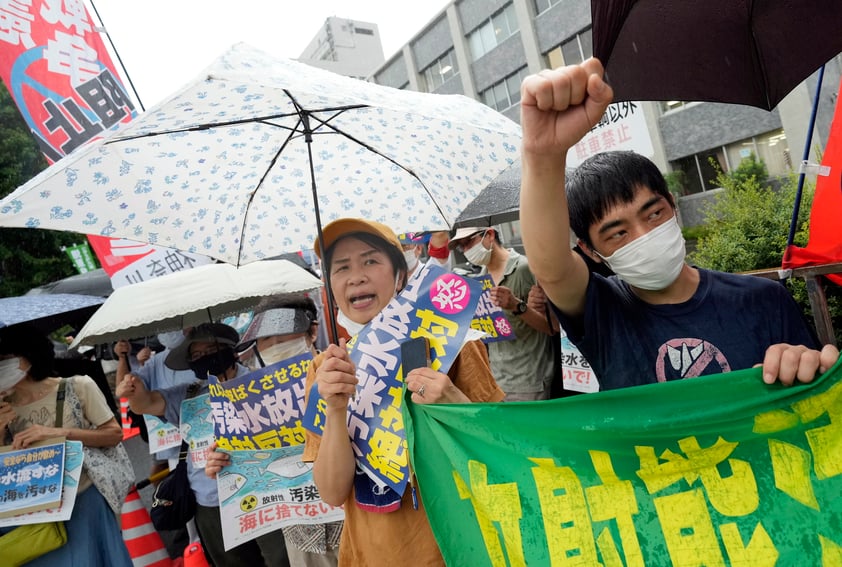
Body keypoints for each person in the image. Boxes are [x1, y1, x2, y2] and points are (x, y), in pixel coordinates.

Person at [517, 58, 839, 389]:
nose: (644, 235)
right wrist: (542, 155)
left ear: (673, 205)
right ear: (590, 251)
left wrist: (803, 366)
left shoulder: (765, 299)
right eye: (618, 233)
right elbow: (552, 268)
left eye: (653, 214)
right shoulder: (601, 313)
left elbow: (815, 400)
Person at [302, 218, 505, 566]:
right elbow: (333, 492)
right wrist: (335, 410)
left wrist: (454, 403)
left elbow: (500, 454)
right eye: (341, 268)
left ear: (399, 276)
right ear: (331, 287)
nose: (356, 276)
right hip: (370, 555)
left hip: (455, 550)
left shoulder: (453, 345)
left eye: (370, 261)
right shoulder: (325, 370)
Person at [116, 323, 290, 567]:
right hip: (209, 500)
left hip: (264, 494)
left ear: (231, 350)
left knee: (281, 560)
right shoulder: (187, 395)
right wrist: (132, 391)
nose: (204, 358)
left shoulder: (261, 383)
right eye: (196, 356)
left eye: (211, 349)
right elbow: (145, 403)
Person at [207, 300, 341, 567]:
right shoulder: (250, 397)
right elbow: (243, 464)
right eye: (266, 338)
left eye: (283, 333)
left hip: (354, 522)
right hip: (300, 531)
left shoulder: (344, 370)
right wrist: (221, 464)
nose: (275, 344)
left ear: (312, 332)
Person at [0, 324, 133, 567]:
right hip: (32, 512)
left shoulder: (78, 386)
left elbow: (113, 434)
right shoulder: (2, 407)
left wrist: (59, 433)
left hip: (83, 500)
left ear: (29, 356)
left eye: (5, 359)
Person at [448, 226, 556, 400]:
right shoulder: (478, 281)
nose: (466, 250)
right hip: (496, 379)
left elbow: (550, 327)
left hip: (529, 379)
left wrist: (517, 306)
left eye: (469, 242)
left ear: (490, 234)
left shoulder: (526, 268)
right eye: (462, 247)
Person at [114, 331, 196, 559]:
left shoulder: (201, 350)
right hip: (174, 446)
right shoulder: (156, 362)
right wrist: (124, 360)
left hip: (208, 439)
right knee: (187, 502)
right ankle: (197, 549)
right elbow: (129, 387)